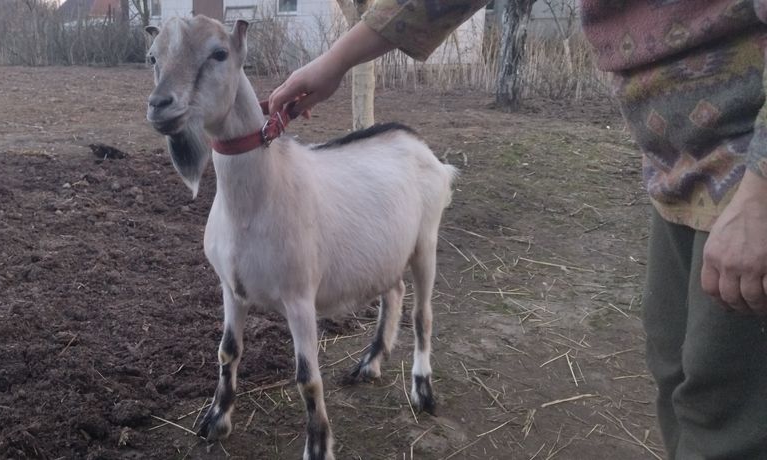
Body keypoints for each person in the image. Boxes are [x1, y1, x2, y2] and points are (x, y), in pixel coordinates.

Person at [269, 1, 767, 458]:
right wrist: (336, 59)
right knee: (675, 368)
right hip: (678, 178)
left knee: (723, 401)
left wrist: (760, 194)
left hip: (746, 175)